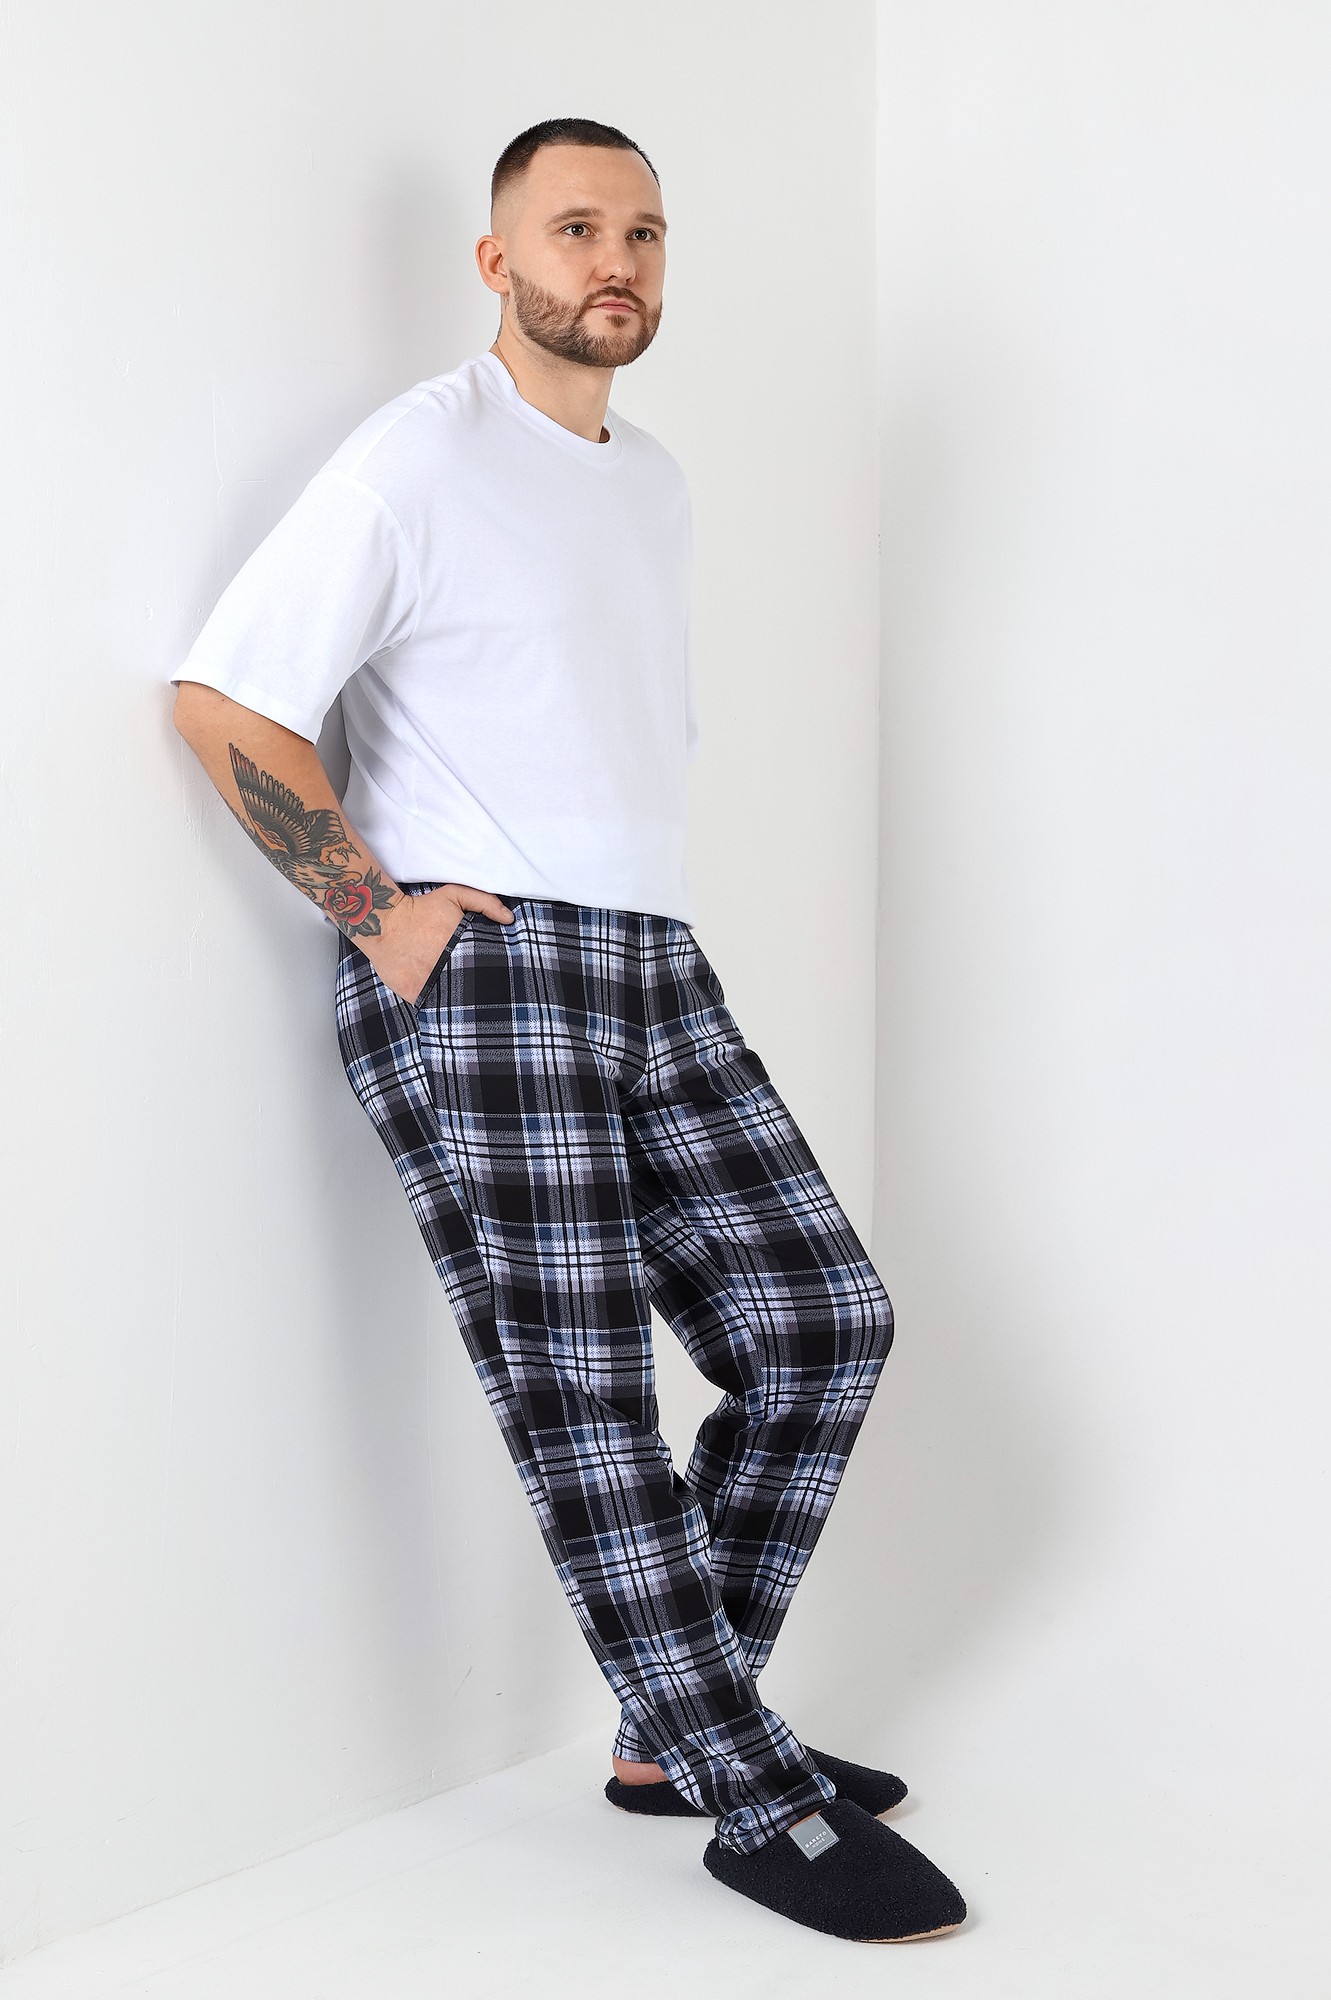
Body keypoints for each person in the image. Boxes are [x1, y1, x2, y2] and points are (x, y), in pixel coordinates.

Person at [170, 116, 966, 1945]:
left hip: (651, 956)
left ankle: (672, 1736)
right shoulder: (418, 456)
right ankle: (750, 1795)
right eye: (577, 228)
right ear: (498, 261)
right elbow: (226, 701)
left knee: (823, 1320)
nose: (615, 262)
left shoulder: (652, 480)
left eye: (645, 234)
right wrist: (380, 913)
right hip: (486, 967)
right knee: (589, 1396)